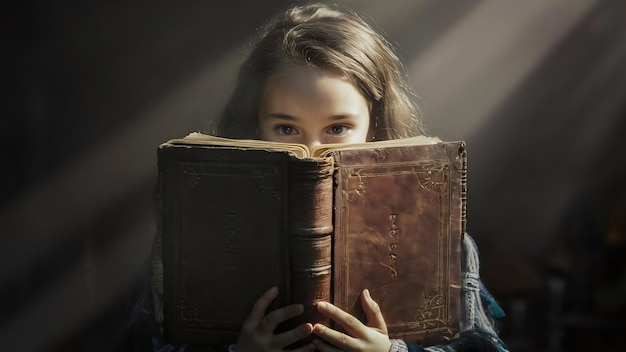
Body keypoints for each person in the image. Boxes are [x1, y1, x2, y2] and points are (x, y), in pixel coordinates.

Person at [122, 3, 508, 352]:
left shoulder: (435, 232)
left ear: (372, 125)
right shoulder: (189, 229)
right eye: (286, 129)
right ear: (256, 126)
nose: (311, 151)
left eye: (338, 128)